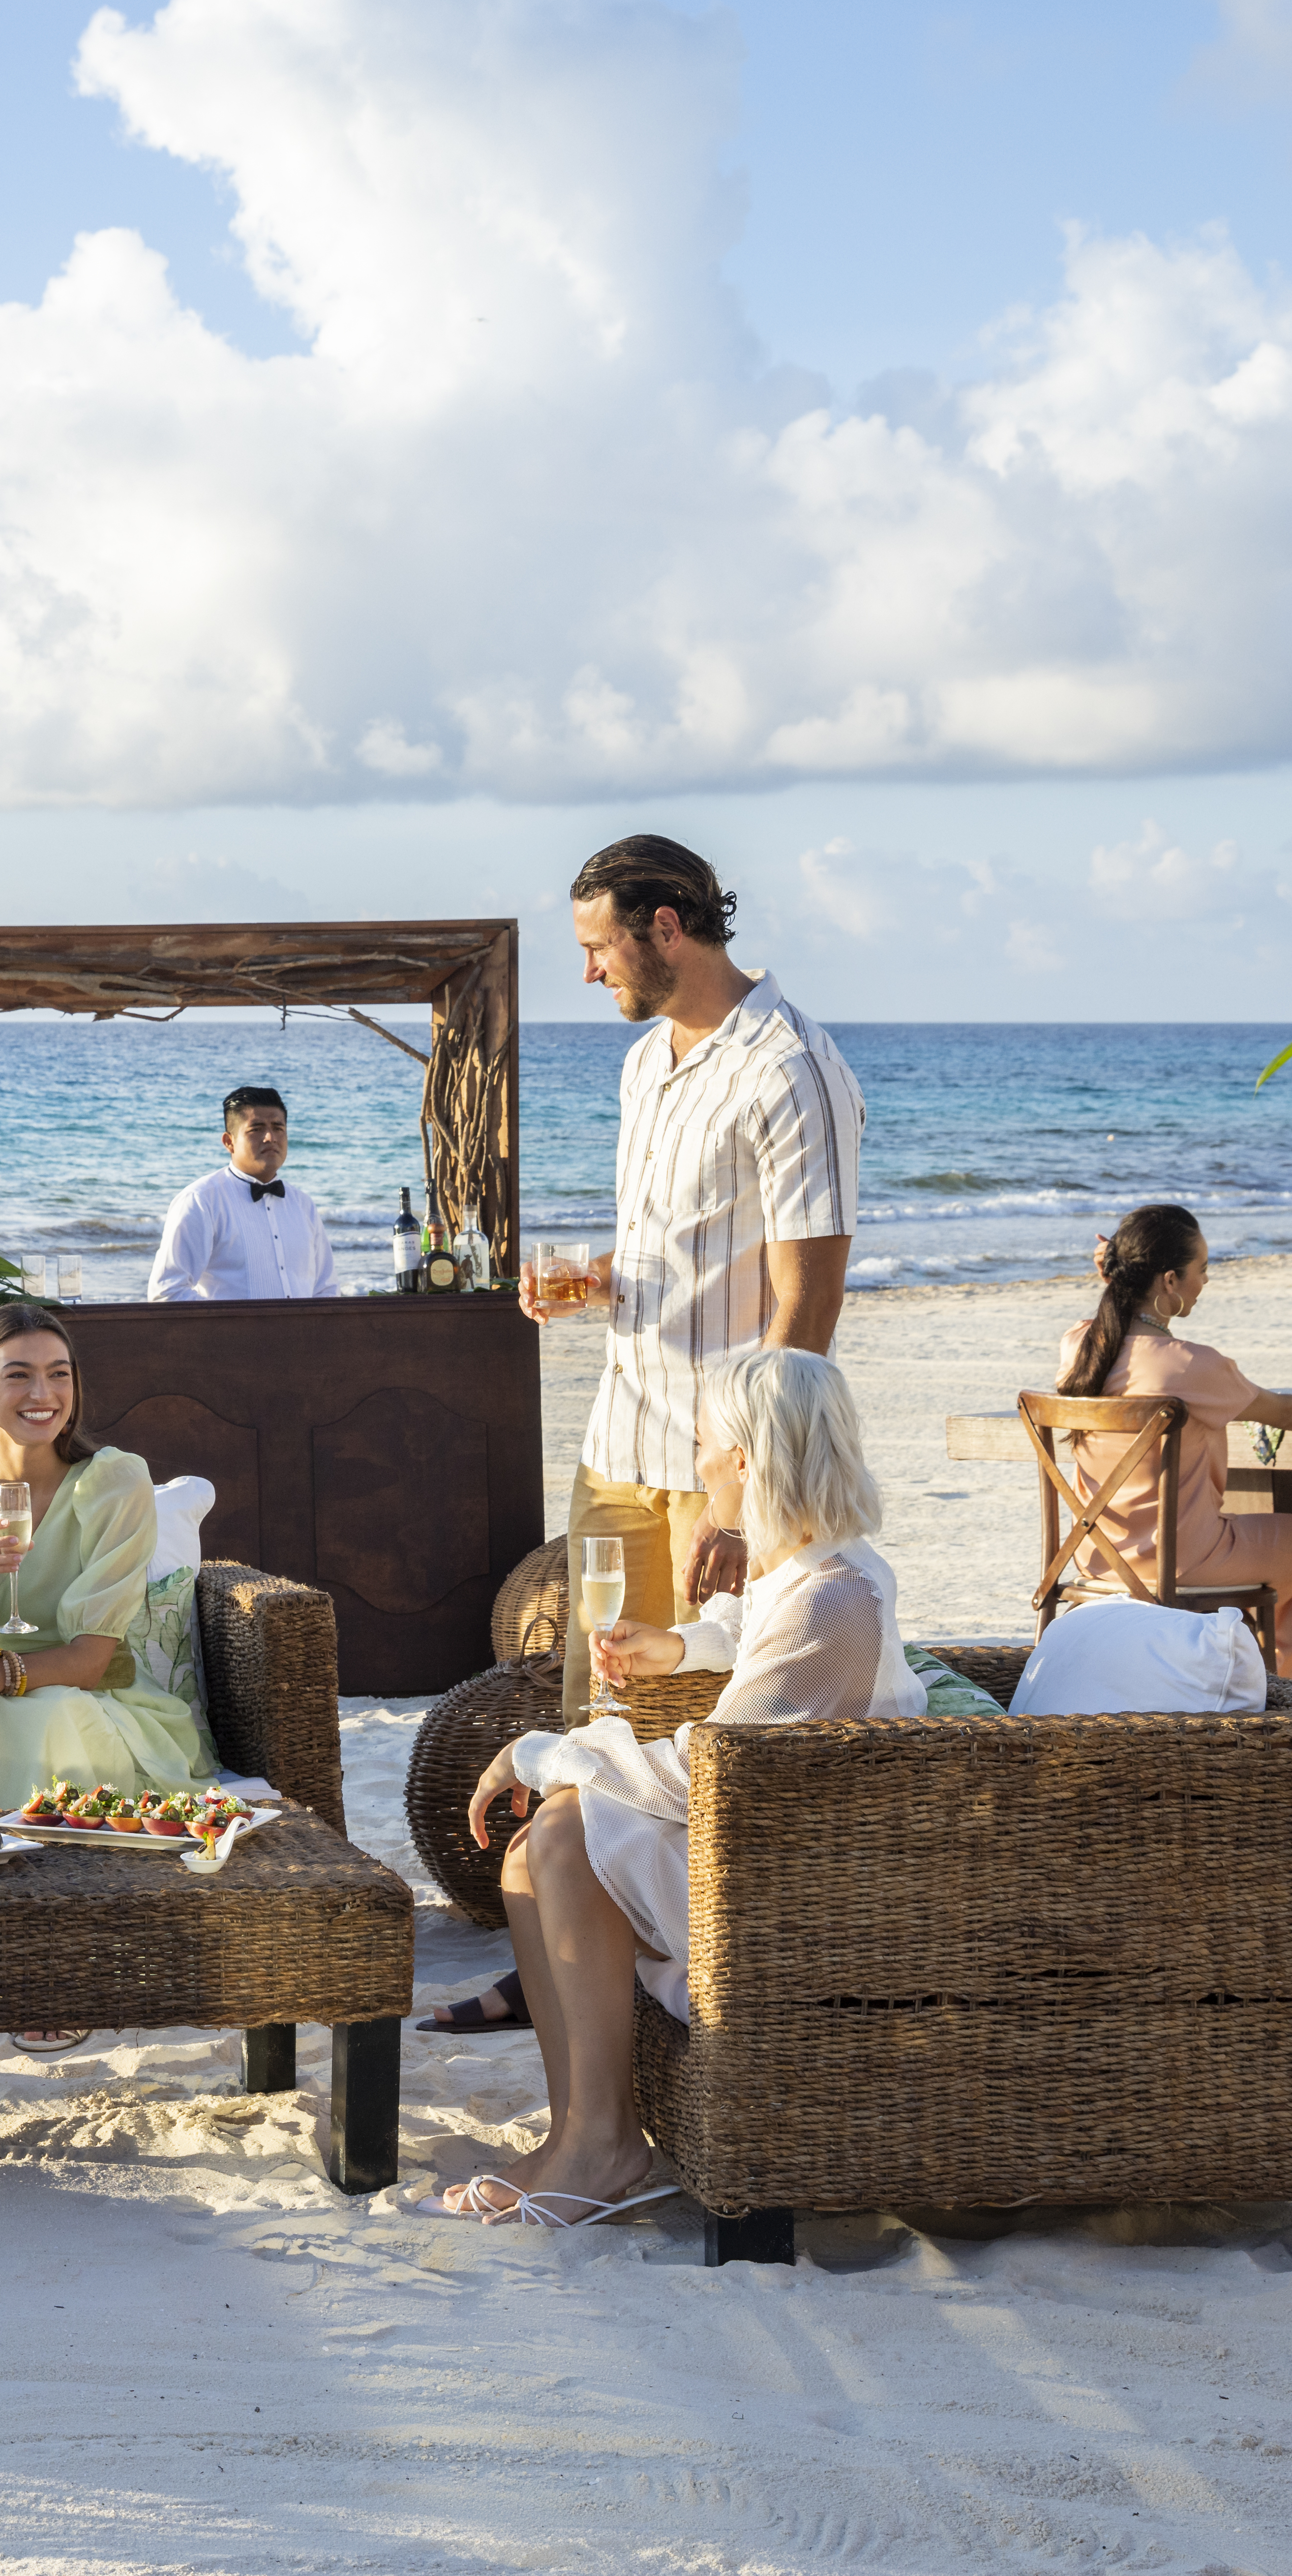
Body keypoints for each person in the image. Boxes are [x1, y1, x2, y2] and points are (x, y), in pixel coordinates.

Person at [424, 831, 860, 2037]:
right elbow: (679, 1252)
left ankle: (691, 1970)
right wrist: (594, 1284)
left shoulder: (791, 1066)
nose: (587, 972)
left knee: (701, 1723)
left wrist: (744, 1498)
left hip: (718, 1461)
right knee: (601, 1703)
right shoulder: (642, 1064)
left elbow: (806, 1300)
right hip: (618, 1438)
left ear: (667, 925)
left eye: (597, 946)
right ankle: (559, 1959)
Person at [441, 1347, 917, 2226]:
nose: (695, 1466)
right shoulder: (817, 1566)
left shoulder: (836, 1601)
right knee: (528, 1852)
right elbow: (756, 1627)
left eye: (702, 1445)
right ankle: (580, 2129)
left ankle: (604, 2144)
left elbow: (707, 1774)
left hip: (803, 1892)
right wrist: (681, 1645)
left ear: (745, 1458)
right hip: (774, 1846)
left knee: (561, 1827)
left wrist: (542, 1752)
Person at [0, 1299, 213, 1808]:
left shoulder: (114, 1483)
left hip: (93, 1703)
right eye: (19, 1375)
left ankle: (49, 1853)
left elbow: (89, 1664)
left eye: (59, 1374)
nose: (42, 1394)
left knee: (54, 1713)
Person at [1049, 1204, 1292, 1695]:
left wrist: (1113, 1277)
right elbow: (1286, 1412)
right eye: (1202, 1269)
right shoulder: (1191, 1365)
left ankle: (1245, 1683)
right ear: (1170, 1281)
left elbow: (1111, 1315)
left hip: (1097, 1560)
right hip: (1185, 1562)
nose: (1206, 1281)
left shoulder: (1078, 1346)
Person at [146, 1086, 340, 1301]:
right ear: (229, 1142)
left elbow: (326, 1290)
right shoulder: (201, 1200)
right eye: (256, 1129)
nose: (270, 1137)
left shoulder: (304, 1205)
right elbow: (167, 1292)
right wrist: (234, 1320)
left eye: (278, 1128)